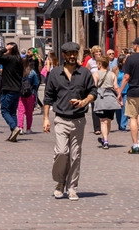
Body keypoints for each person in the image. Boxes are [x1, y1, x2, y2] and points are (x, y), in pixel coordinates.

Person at [42, 42, 97, 200]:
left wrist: (84, 102)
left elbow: (93, 91)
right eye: (69, 53)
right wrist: (46, 118)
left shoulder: (85, 73)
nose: (72, 56)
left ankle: (72, 187)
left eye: (75, 53)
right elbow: (48, 97)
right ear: (64, 55)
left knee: (75, 155)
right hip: (60, 119)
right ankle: (60, 182)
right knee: (61, 152)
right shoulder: (54, 74)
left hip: (79, 120)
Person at [0, 42, 24, 142]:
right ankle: (13, 134)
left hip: (8, 89)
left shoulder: (9, 59)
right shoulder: (19, 60)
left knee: (4, 110)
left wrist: (4, 48)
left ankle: (14, 128)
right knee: (12, 112)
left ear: (10, 49)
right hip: (17, 89)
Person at [92, 53, 121, 149]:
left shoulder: (96, 74)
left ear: (100, 64)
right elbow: (116, 87)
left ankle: (105, 140)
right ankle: (105, 138)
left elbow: (94, 86)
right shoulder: (112, 74)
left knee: (103, 121)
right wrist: (119, 97)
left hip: (101, 98)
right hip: (111, 98)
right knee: (108, 120)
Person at [18, 57, 40, 134]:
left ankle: (20, 128)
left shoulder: (18, 72)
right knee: (29, 112)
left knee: (21, 111)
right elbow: (36, 83)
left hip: (20, 94)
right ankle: (28, 129)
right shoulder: (32, 72)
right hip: (30, 93)